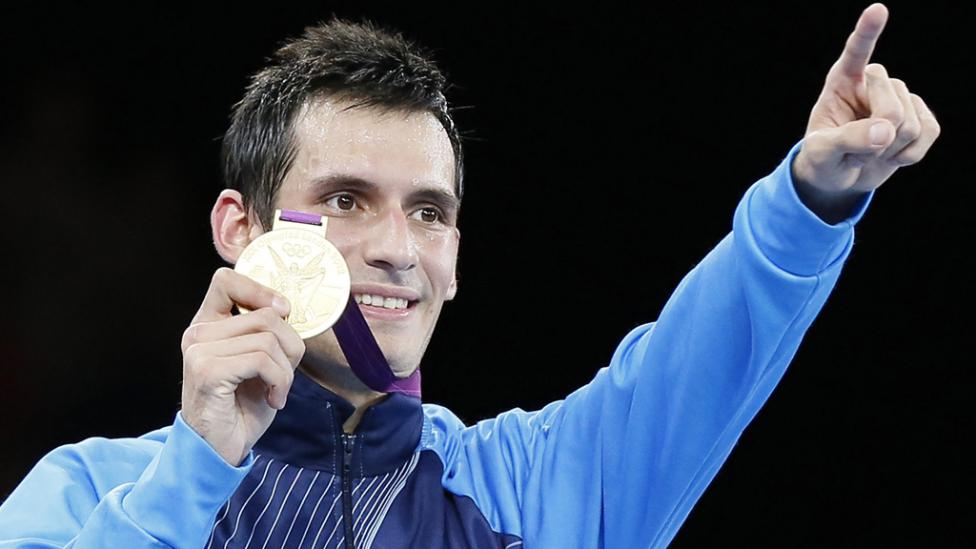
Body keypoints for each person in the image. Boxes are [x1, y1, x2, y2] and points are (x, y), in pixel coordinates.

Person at [0, 4, 939, 548]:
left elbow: (709, 355)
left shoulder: (534, 492)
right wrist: (192, 475)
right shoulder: (86, 494)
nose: (397, 248)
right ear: (240, 229)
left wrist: (810, 199)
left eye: (428, 211)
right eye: (345, 199)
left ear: (454, 257)